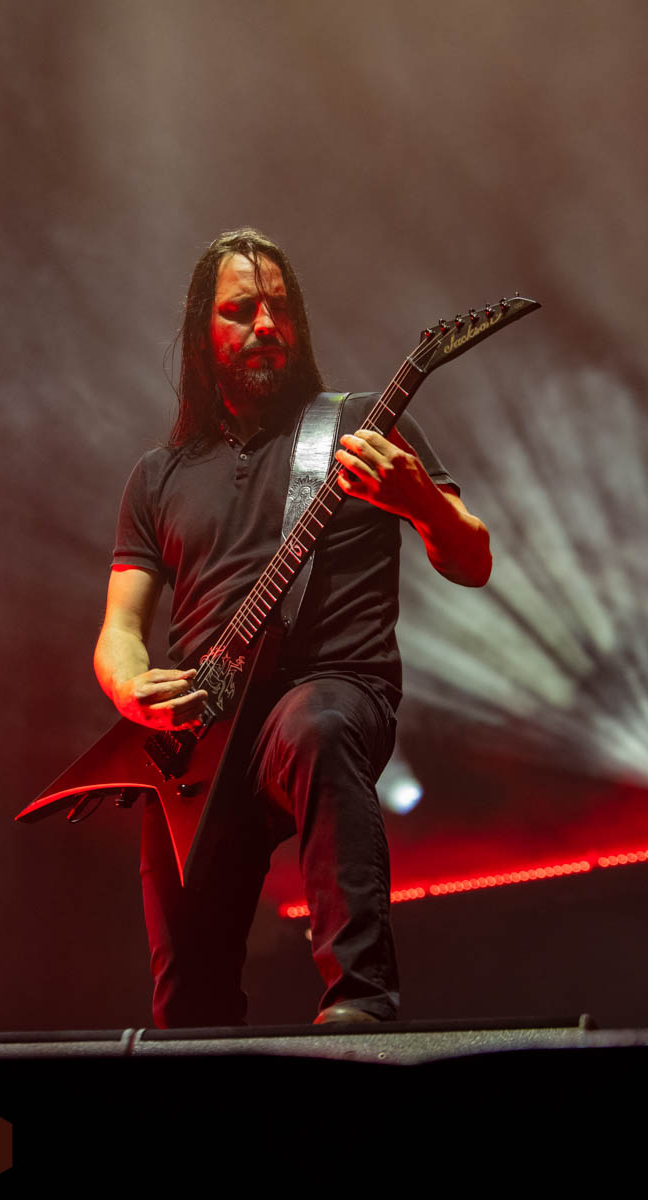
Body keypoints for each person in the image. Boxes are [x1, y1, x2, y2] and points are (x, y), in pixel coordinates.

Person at [93, 228, 491, 1028]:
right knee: (186, 1006)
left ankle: (358, 1004)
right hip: (200, 741)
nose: (266, 325)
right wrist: (131, 688)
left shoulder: (360, 423)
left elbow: (472, 559)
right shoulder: (158, 475)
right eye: (241, 310)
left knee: (316, 724)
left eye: (279, 308)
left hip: (330, 687)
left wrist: (420, 499)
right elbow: (119, 629)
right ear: (202, 333)